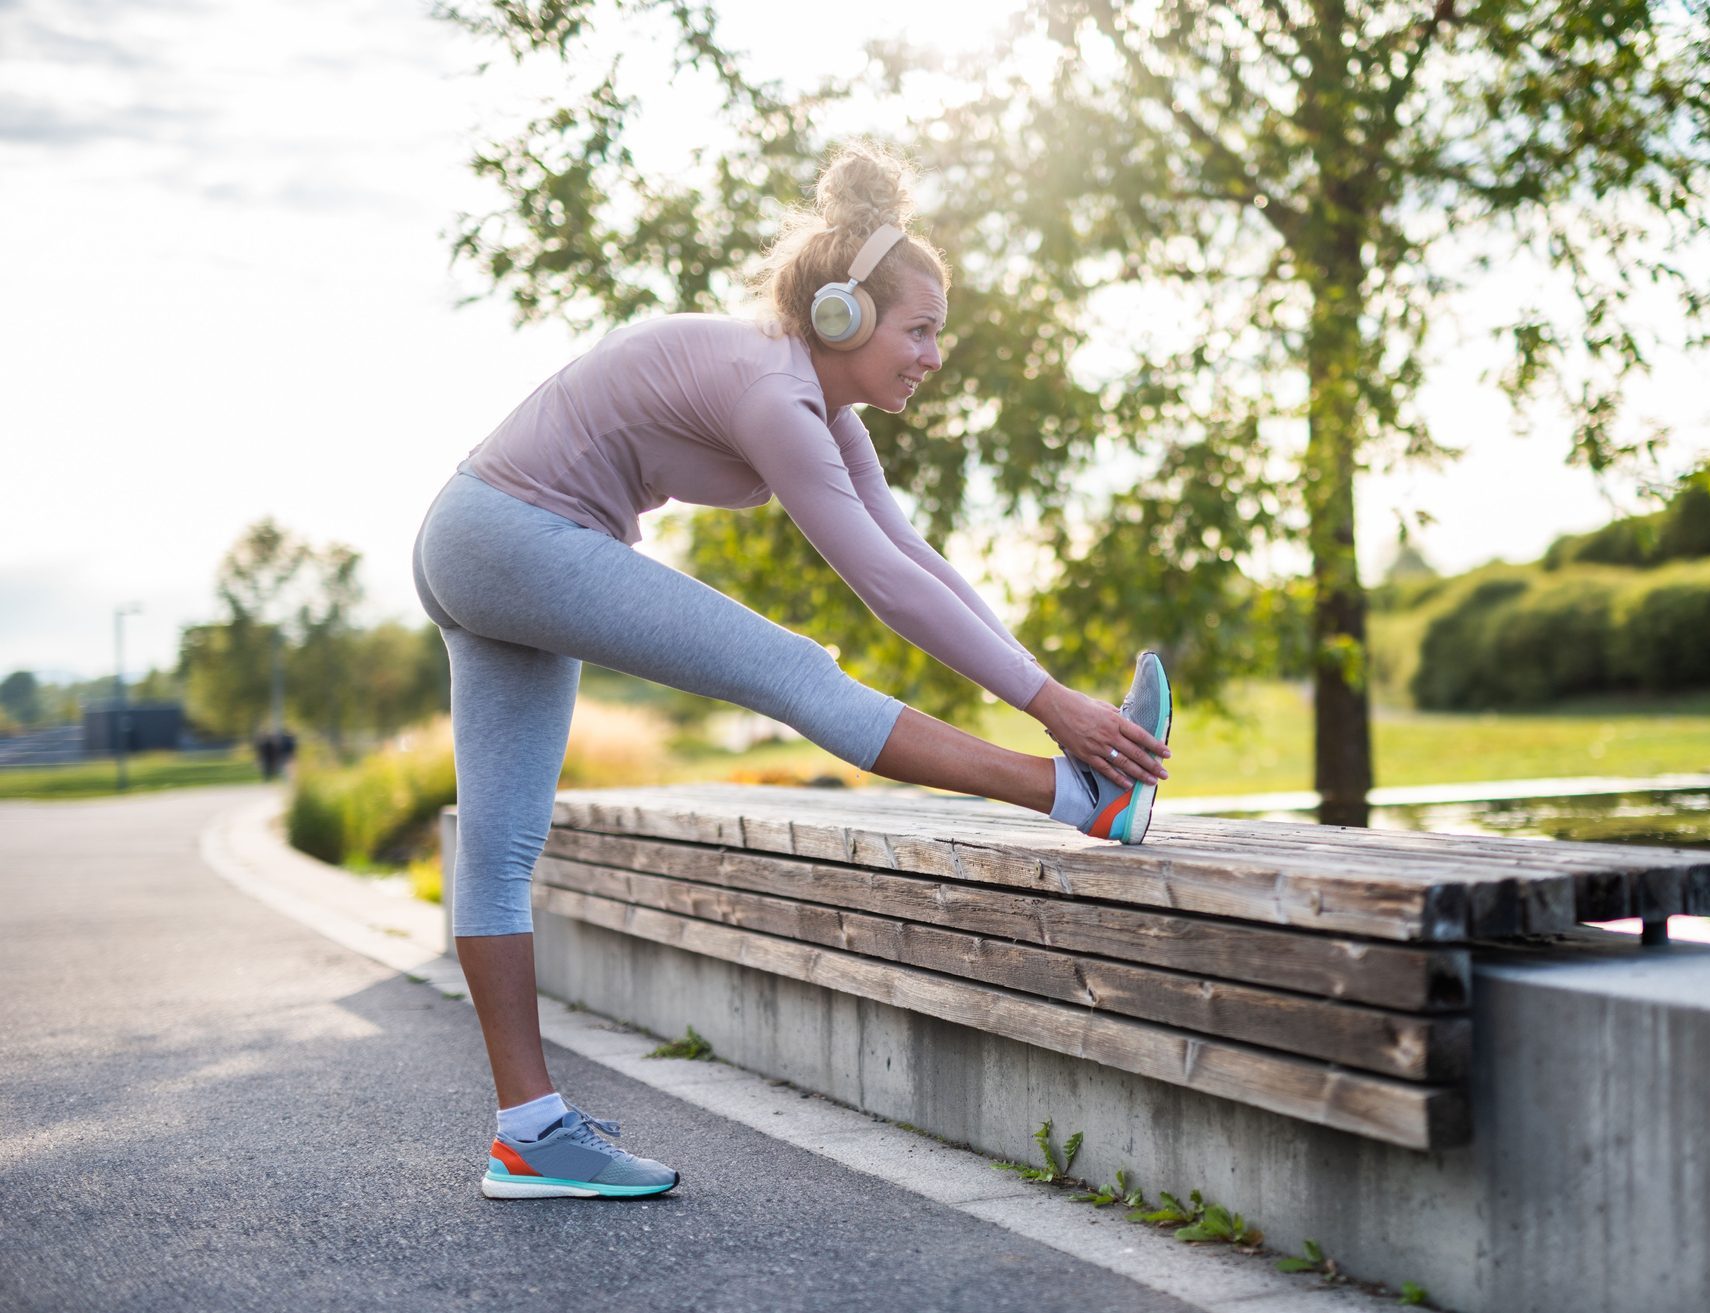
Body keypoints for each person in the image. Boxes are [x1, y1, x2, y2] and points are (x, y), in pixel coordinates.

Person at [411, 143, 1174, 1202]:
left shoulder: (824, 411)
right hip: (512, 536)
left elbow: (918, 563)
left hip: (480, 539)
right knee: (796, 672)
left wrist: (1049, 694)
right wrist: (1056, 715)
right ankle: (1081, 799)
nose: (932, 355)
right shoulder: (774, 394)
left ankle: (527, 1133)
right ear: (841, 319)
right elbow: (883, 591)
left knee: (500, 850)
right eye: (918, 330)